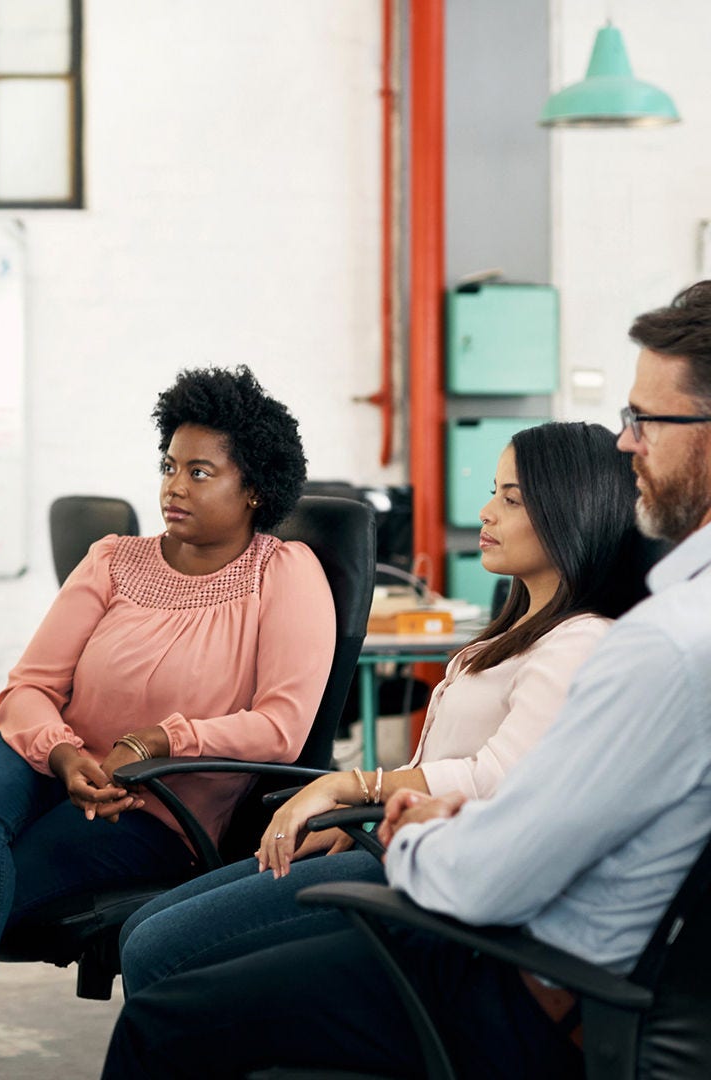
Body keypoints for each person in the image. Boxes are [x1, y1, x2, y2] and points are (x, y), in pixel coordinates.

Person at [102, 281, 711, 1079]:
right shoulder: (658, 629)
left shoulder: (655, 645)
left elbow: (492, 872)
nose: (625, 442)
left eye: (645, 419)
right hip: (543, 944)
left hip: (520, 972)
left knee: (163, 1016)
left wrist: (407, 825)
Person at [0, 366, 337, 1080]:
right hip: (53, 761)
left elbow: (279, 726)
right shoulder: (115, 559)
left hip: (154, 806)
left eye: (199, 471)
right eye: (168, 467)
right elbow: (30, 689)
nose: (173, 487)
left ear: (253, 488)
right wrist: (65, 756)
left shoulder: (283, 573)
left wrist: (159, 740)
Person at [117, 421, 648, 993]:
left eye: (511, 499)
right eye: (494, 491)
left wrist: (351, 788)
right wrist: (365, 818)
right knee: (141, 930)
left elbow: (497, 779)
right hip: (396, 847)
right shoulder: (516, 633)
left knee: (158, 949)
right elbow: (449, 763)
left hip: (433, 878)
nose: (487, 512)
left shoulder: (578, 642)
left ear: (575, 511)